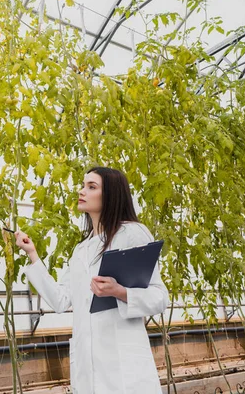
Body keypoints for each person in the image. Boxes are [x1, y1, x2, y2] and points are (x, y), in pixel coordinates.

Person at [14, 167, 169, 393]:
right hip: (87, 371)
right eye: (83, 185)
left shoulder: (132, 233)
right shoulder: (81, 250)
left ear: (111, 195)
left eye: (91, 187)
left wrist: (119, 292)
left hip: (124, 369)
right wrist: (32, 254)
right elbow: (60, 300)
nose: (82, 191)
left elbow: (159, 297)